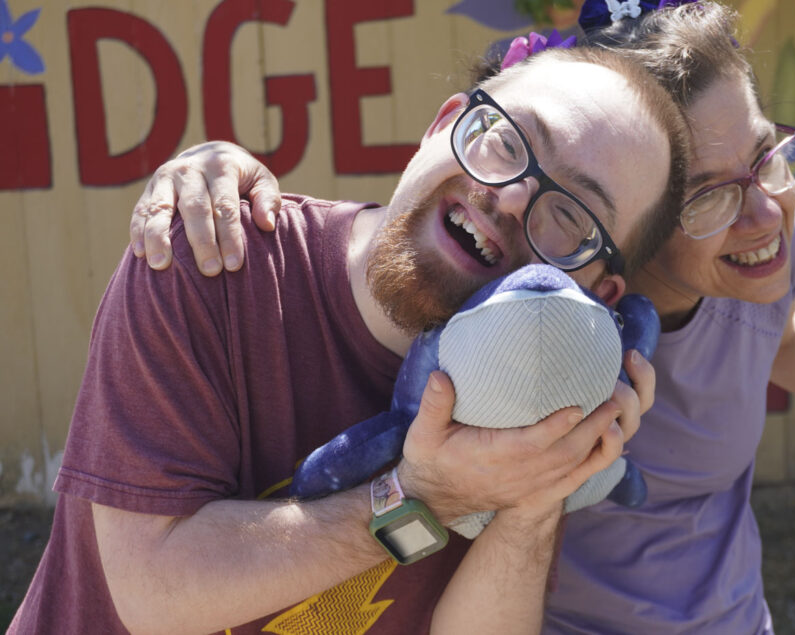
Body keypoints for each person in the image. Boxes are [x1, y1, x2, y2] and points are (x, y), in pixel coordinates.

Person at [124, 0, 795, 633]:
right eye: (711, 193)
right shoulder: (544, 343)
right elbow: (399, 248)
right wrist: (213, 171)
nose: (765, 211)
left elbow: (779, 338)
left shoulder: (768, 251)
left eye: (767, 156)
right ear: (626, 238)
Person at [10, 45, 692, 635]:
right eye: (508, 139)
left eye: (572, 212)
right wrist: (424, 495)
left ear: (597, 294)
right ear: (444, 125)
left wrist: (539, 491)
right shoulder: (211, 254)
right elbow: (150, 589)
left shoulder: (535, 403)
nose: (513, 196)